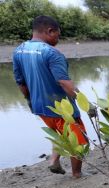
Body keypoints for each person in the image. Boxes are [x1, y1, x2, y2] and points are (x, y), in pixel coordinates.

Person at [12, 15, 88, 178]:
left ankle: (54, 159)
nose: (58, 40)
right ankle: (77, 173)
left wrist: (30, 101)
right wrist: (87, 104)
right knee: (79, 140)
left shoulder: (19, 50)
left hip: (39, 106)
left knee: (59, 131)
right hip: (61, 107)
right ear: (49, 31)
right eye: (57, 35)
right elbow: (64, 82)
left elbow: (21, 82)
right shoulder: (52, 53)